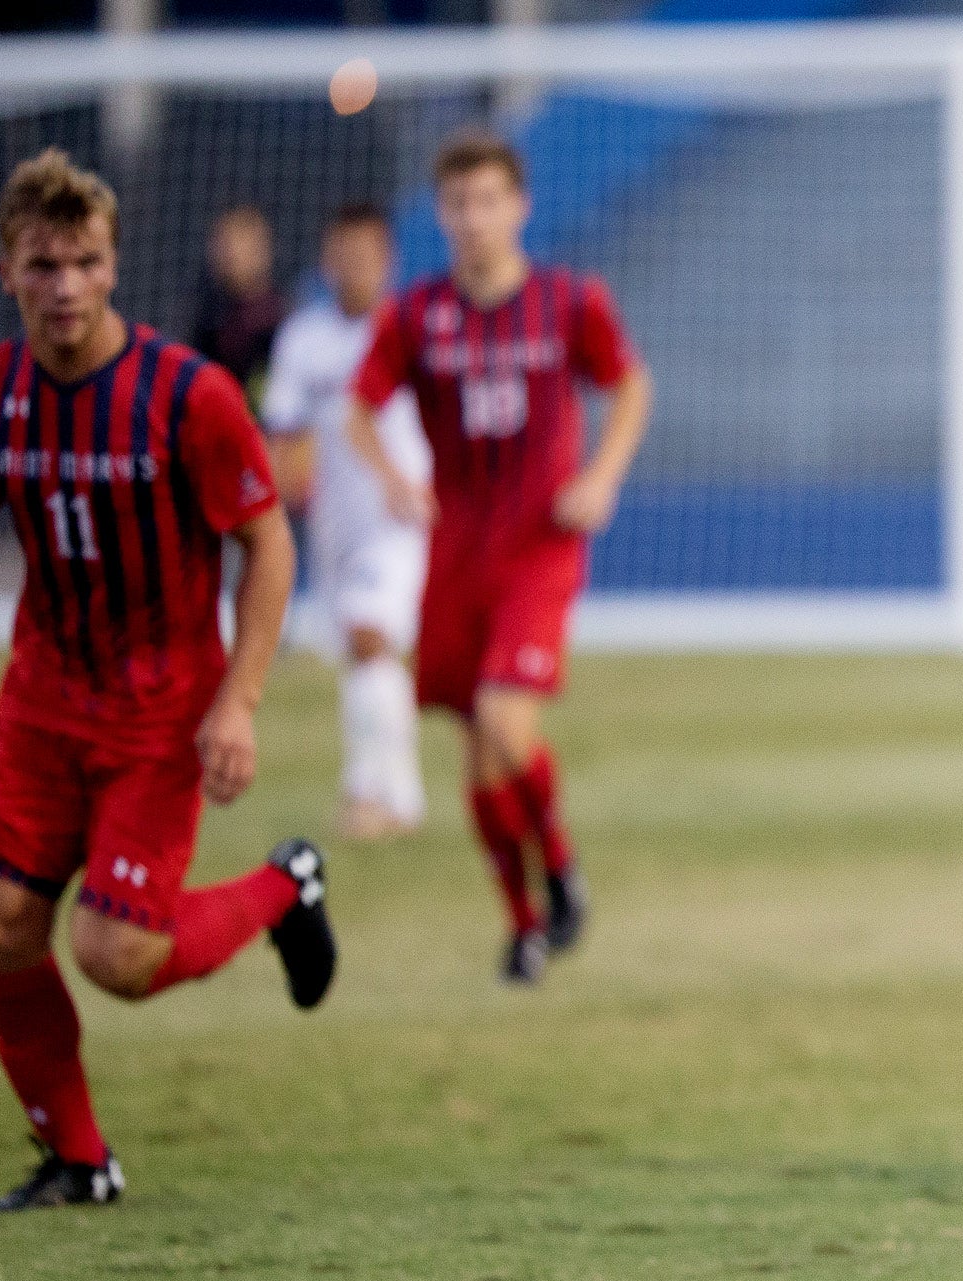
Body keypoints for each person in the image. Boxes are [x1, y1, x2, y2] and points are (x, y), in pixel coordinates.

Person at [0, 149, 337, 1212]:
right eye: (43, 265)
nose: (65, 286)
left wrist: (239, 698)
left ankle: (285, 887)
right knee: (0, 922)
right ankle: (80, 1161)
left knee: (117, 956)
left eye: (85, 262)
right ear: (8, 270)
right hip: (42, 701)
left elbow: (266, 545)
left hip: (157, 714)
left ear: (115, 266)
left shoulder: (189, 395)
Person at [347, 129, 652, 984]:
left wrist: (602, 475)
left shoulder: (567, 301)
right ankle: (522, 923)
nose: (475, 219)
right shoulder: (418, 314)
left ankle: (557, 864)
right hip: (457, 556)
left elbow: (630, 383)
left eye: (489, 201)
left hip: (539, 549)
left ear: (519, 207)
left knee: (503, 722)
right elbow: (358, 408)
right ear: (441, 215)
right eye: (458, 204)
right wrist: (394, 479)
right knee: (479, 752)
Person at [264, 205, 434, 841]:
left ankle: (366, 792)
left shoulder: (416, 328)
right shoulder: (303, 340)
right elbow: (285, 433)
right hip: (335, 523)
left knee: (368, 635)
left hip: (402, 514)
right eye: (344, 253)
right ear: (326, 260)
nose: (355, 267)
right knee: (369, 653)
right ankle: (404, 794)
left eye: (367, 254)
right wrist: (284, 499)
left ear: (388, 258)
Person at [192, 204, 283, 408]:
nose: (231, 255)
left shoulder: (280, 321)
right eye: (224, 245)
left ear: (262, 252)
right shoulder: (208, 318)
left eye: (240, 244)